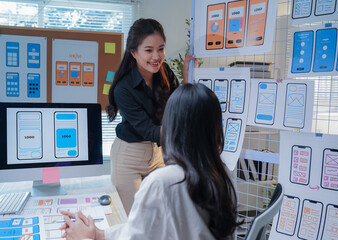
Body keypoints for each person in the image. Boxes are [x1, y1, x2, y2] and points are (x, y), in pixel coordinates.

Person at [61, 83, 238, 240]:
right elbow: (143, 229)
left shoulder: (163, 181)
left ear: (171, 127)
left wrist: (82, 237)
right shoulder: (222, 175)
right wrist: (99, 234)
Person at [106, 18, 194, 214]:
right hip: (129, 157)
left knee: (159, 218)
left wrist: (188, 76)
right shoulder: (124, 88)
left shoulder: (165, 73)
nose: (156, 56)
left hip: (157, 154)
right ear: (133, 52)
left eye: (160, 49)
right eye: (148, 50)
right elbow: (150, 130)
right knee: (133, 221)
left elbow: (179, 106)